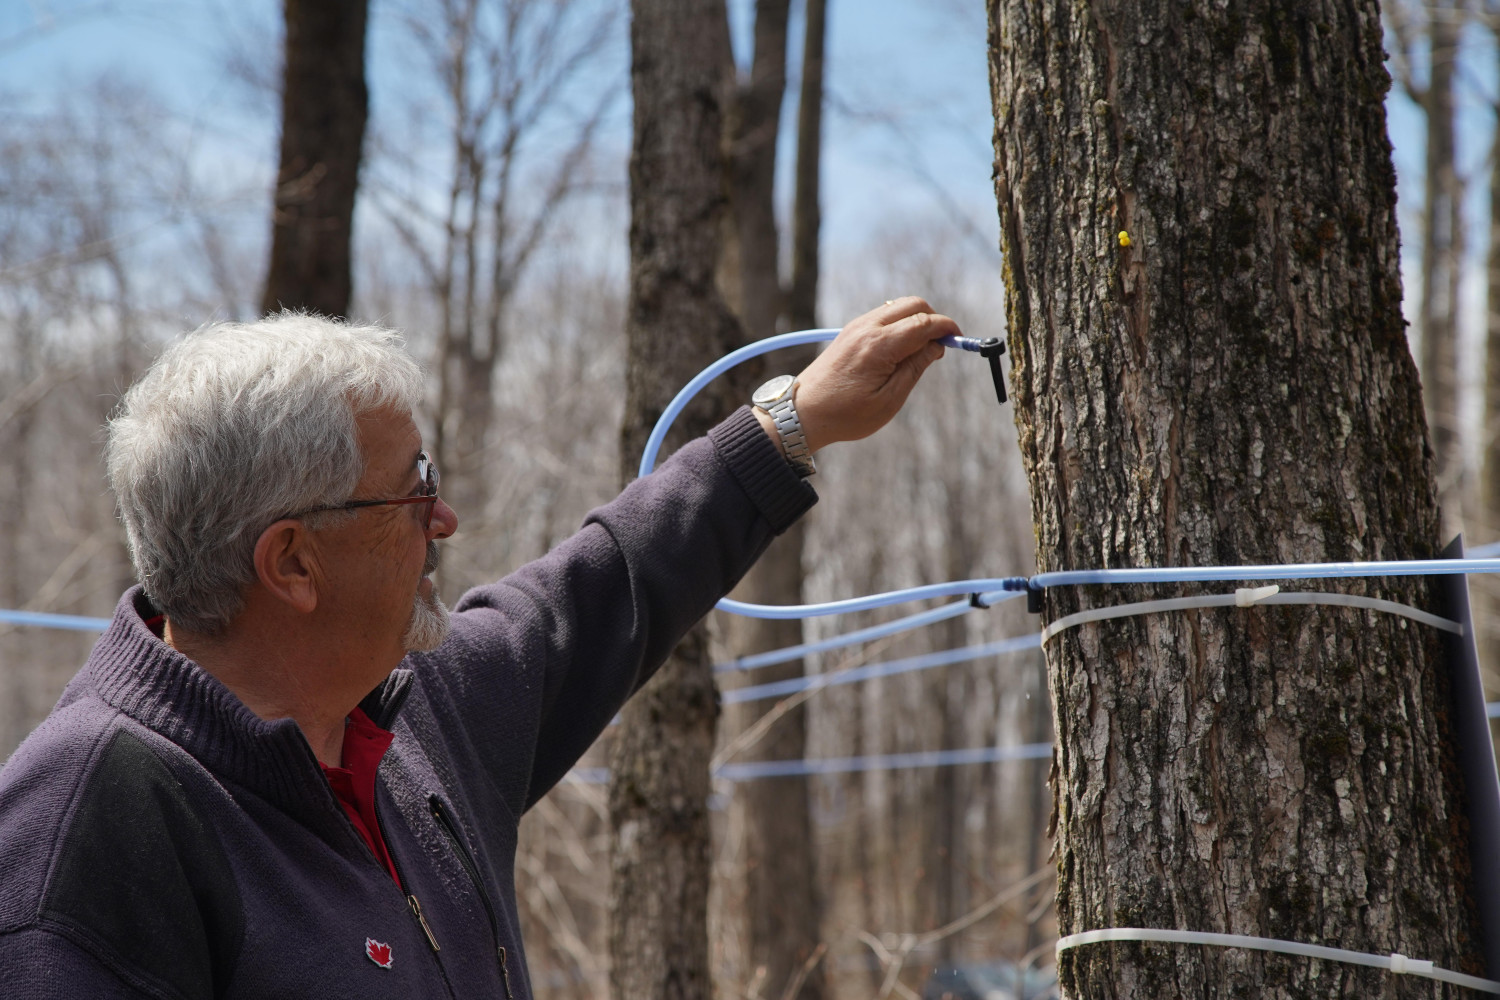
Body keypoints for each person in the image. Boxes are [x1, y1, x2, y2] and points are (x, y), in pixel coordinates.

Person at [0, 298, 960, 998]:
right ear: (292, 562)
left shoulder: (409, 714)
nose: (445, 519)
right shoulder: (88, 819)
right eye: (413, 489)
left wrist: (788, 426)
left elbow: (599, 590)